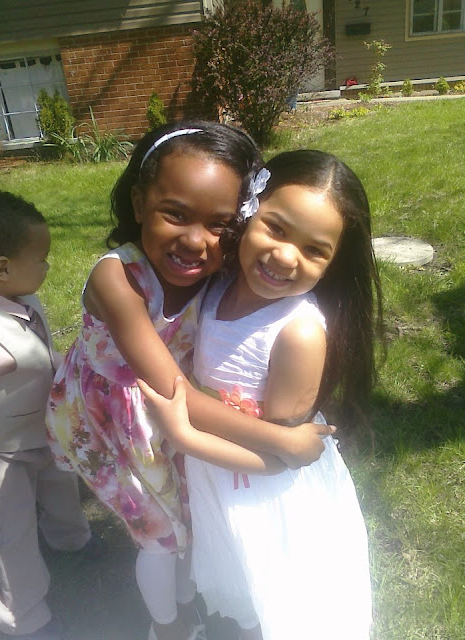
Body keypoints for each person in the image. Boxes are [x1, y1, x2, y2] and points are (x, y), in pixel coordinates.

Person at [45, 123, 335, 640]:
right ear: (139, 203)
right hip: (113, 418)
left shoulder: (214, 273)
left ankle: (185, 600)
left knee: (187, 520)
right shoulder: (117, 279)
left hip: (168, 415)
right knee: (159, 537)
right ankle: (168, 627)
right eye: (175, 214)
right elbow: (171, 388)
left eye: (220, 224)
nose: (196, 241)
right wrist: (282, 441)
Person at [138, 149, 384, 640]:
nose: (286, 257)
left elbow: (281, 459)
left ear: (332, 263)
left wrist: (185, 438)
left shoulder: (298, 334)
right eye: (276, 228)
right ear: (247, 212)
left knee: (279, 596)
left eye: (315, 250)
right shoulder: (219, 284)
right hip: (218, 476)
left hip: (265, 496)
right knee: (239, 580)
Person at [0, 190, 93, 640]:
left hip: (46, 430)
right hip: (1, 453)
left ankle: (72, 540)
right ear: (2, 268)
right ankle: (23, 616)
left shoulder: (24, 299)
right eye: (42, 258)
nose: (48, 266)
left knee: (62, 488)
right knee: (11, 535)